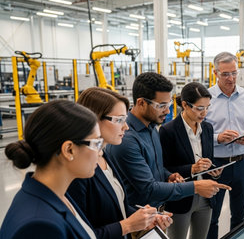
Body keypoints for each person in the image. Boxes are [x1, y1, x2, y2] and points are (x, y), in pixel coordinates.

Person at [105, 72, 230, 210]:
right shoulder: (127, 139)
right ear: (141, 102)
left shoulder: (152, 128)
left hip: (156, 212)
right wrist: (196, 187)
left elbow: (155, 168)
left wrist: (168, 175)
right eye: (161, 105)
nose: (167, 110)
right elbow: (148, 188)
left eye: (169, 104)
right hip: (138, 216)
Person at [67, 87, 173, 239]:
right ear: (93, 119)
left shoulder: (104, 155)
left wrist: (144, 219)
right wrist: (128, 225)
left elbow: (117, 207)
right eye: (119, 120)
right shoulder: (79, 172)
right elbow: (79, 234)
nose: (126, 126)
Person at [0, 100, 101, 238]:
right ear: (69, 150)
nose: (100, 152)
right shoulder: (39, 226)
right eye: (96, 143)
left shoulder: (55, 194)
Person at [205, 52, 244, 239]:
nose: (231, 78)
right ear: (215, 73)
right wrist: (217, 138)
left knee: (239, 216)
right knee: (211, 217)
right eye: (225, 74)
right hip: (216, 166)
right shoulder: (206, 98)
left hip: (242, 163)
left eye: (234, 73)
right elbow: (197, 133)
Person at [160, 82, 223, 239]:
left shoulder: (207, 128)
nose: (204, 113)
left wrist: (214, 171)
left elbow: (209, 159)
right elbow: (163, 168)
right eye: (200, 108)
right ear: (184, 105)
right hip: (181, 197)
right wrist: (192, 169)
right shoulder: (168, 131)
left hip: (206, 198)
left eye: (207, 107)